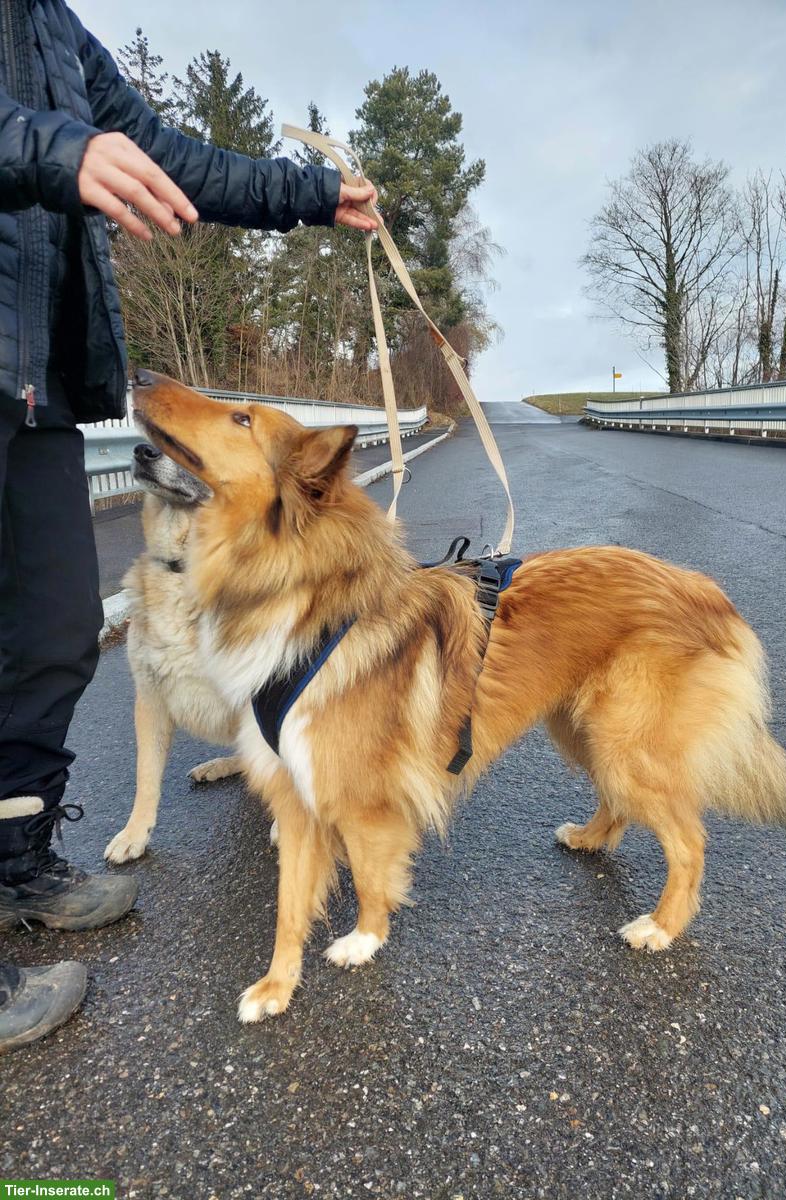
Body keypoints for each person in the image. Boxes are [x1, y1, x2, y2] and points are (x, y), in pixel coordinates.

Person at [0, 0, 376, 1051]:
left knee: (54, 636)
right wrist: (52, 149)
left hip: (36, 382)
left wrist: (313, 193)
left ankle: (17, 862)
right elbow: (68, 151)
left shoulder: (53, 30)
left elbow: (166, 154)